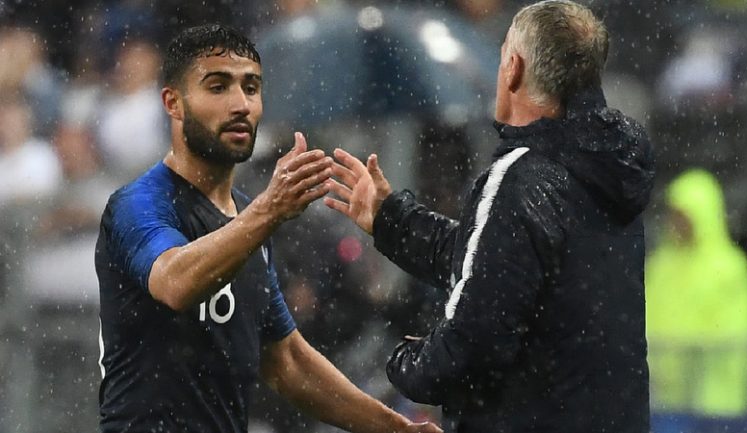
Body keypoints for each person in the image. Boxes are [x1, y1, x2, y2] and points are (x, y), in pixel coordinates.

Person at [324, 1, 655, 432]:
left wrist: (404, 363)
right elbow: (498, 264)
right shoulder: (608, 169)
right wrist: (391, 218)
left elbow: (473, 341)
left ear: (513, 68)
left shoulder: (520, 175)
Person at [95, 24, 441, 433]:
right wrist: (267, 212)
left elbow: (286, 360)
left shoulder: (247, 214)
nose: (241, 104)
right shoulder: (139, 204)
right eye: (218, 87)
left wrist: (397, 428)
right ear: (174, 103)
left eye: (251, 88)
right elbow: (174, 282)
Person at [646, 169, 747, 418]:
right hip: (663, 402)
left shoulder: (730, 268)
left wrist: (686, 365)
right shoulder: (659, 266)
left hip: (716, 405)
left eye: (684, 215)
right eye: (674, 214)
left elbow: (735, 335)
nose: (676, 223)